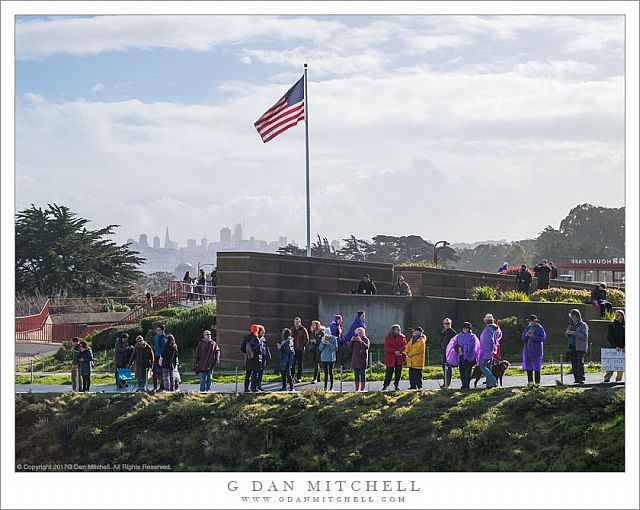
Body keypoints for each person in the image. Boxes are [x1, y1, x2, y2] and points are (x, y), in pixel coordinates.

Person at [452, 322, 480, 389]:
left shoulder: (472, 336)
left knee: (468, 371)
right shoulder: (459, 336)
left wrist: (463, 349)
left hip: (469, 357)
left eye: (466, 328)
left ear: (469, 329)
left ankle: (467, 384)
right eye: (464, 328)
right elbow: (455, 344)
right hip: (461, 356)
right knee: (462, 371)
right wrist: (458, 349)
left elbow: (472, 346)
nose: (465, 329)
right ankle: (463, 384)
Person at [566, 309, 589, 385]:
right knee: (574, 363)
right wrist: (567, 333)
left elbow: (584, 336)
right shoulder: (570, 324)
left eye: (571, 315)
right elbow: (567, 334)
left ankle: (581, 378)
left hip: (580, 347)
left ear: (576, 316)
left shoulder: (583, 325)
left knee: (579, 363)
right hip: (572, 346)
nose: (570, 317)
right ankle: (576, 379)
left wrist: (574, 333)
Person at [521, 315, 547, 385]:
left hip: (536, 350)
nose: (531, 323)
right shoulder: (528, 327)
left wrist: (533, 336)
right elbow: (523, 337)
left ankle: (537, 383)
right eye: (530, 321)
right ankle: (530, 383)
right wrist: (526, 335)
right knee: (529, 366)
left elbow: (543, 338)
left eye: (532, 321)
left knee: (536, 367)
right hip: (528, 350)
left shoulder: (540, 328)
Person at [478, 314, 500, 389]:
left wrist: (487, 352)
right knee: (489, 366)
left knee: (482, 366)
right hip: (493, 350)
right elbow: (499, 337)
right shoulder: (497, 328)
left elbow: (487, 342)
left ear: (486, 321)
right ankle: (489, 384)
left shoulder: (488, 329)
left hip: (487, 351)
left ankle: (493, 381)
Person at [382, 324, 407, 391]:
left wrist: (399, 351)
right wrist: (394, 351)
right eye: (397, 329)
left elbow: (404, 346)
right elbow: (387, 347)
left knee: (398, 373)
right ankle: (385, 385)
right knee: (389, 373)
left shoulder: (402, 337)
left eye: (399, 329)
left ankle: (396, 385)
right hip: (390, 358)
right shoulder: (388, 337)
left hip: (399, 357)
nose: (399, 330)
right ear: (393, 330)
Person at [604, 310, 625, 383]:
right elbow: (610, 337)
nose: (616, 316)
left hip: (623, 348)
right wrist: (615, 346)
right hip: (614, 348)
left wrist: (625, 347)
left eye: (618, 315)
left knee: (621, 365)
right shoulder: (611, 325)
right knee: (611, 364)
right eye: (616, 315)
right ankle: (607, 377)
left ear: (622, 316)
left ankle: (618, 379)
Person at [241, 324, 262, 392]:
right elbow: (259, 350)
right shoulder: (256, 339)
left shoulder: (246, 337)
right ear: (257, 331)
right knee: (255, 373)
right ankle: (254, 388)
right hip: (255, 358)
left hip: (249, 357)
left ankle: (246, 388)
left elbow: (242, 348)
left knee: (248, 373)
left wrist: (248, 352)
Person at [350, 327, 370, 391]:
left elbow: (366, 347)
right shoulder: (355, 339)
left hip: (362, 360)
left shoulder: (366, 339)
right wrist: (352, 341)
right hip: (355, 359)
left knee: (362, 374)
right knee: (356, 375)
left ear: (363, 332)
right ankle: (356, 387)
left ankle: (362, 388)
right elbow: (350, 347)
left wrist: (361, 341)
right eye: (358, 332)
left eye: (361, 332)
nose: (359, 334)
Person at [439, 319, 457, 389]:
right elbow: (440, 341)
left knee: (448, 368)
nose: (447, 325)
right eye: (445, 323)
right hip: (444, 352)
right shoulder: (442, 332)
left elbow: (455, 342)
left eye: (448, 323)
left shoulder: (453, 332)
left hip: (450, 353)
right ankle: (445, 382)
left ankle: (448, 384)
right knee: (444, 367)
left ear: (451, 323)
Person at [291, 317, 309, 382]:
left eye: (298, 322)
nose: (296, 323)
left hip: (300, 349)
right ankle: (292, 376)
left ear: (300, 322)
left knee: (300, 363)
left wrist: (302, 346)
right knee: (292, 363)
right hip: (293, 348)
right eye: (295, 322)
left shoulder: (303, 329)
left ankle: (299, 377)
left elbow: (306, 339)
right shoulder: (292, 329)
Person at [152, 325, 167, 392]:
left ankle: (162, 387)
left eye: (159, 330)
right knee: (154, 371)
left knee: (162, 372)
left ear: (162, 330)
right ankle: (155, 387)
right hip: (156, 356)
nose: (157, 331)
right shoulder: (156, 337)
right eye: (157, 330)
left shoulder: (165, 338)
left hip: (163, 356)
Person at [256, 325, 271, 392]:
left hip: (263, 356)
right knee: (257, 371)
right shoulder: (256, 339)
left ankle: (259, 385)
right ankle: (255, 385)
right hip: (258, 357)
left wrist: (268, 354)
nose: (264, 332)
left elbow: (266, 347)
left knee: (261, 371)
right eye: (263, 330)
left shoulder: (263, 338)